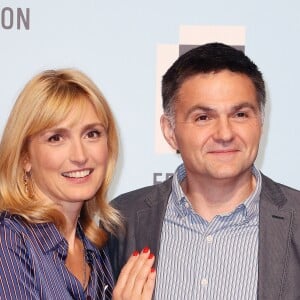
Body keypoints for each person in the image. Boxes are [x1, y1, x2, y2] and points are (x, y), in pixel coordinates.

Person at [108, 42, 300, 299]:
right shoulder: (121, 220)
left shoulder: (296, 220)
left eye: (241, 114)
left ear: (261, 122)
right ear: (170, 132)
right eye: (203, 117)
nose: (225, 134)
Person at [0, 69, 155, 300]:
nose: (80, 155)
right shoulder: (9, 241)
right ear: (25, 157)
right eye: (56, 138)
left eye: (92, 134)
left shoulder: (94, 249)